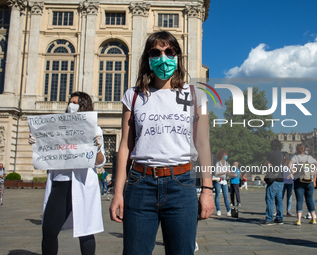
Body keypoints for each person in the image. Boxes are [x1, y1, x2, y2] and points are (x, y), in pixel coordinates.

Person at [109, 31, 214, 255]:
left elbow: (203, 145)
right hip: (140, 184)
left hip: (182, 184)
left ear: (177, 56)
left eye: (169, 51)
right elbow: (125, 148)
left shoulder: (196, 95)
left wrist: (207, 190)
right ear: (148, 59)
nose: (163, 57)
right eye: (156, 52)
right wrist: (118, 192)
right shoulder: (133, 96)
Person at [29, 92, 106, 255]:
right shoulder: (57, 128)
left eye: (75, 103)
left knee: (86, 231)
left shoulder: (94, 128)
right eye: (70, 103)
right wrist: (38, 143)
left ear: (84, 105)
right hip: (60, 182)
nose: (71, 106)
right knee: (49, 230)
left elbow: (100, 161)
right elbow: (48, 153)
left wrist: (97, 147)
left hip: (82, 183)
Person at [289, 144, 317, 226]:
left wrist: (294, 172)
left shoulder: (295, 157)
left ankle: (299, 220)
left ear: (297, 149)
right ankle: (313, 219)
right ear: (304, 150)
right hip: (309, 180)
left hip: (299, 180)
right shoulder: (309, 158)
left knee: (299, 200)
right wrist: (313, 173)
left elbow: (289, 165)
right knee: (310, 199)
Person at [261, 139, 284, 226]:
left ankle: (269, 218)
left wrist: (269, 165)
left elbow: (265, 164)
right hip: (281, 179)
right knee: (279, 200)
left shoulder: (271, 154)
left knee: (270, 199)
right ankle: (279, 218)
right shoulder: (282, 154)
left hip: (273, 180)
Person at [213, 149, 231, 216]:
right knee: (217, 196)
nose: (226, 156)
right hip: (218, 180)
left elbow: (228, 173)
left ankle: (228, 210)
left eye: (226, 155)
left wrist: (230, 173)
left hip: (224, 181)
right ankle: (218, 210)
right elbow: (216, 173)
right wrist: (225, 172)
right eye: (224, 155)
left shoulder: (227, 164)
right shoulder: (217, 164)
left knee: (226, 196)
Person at [282, 152, 295, 217]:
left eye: (283, 156)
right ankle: (278, 210)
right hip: (283, 181)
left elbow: (294, 171)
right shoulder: (281, 164)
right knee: (280, 197)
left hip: (290, 181)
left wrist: (290, 174)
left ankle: (288, 211)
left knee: (289, 197)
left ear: (286, 156)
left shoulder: (290, 163)